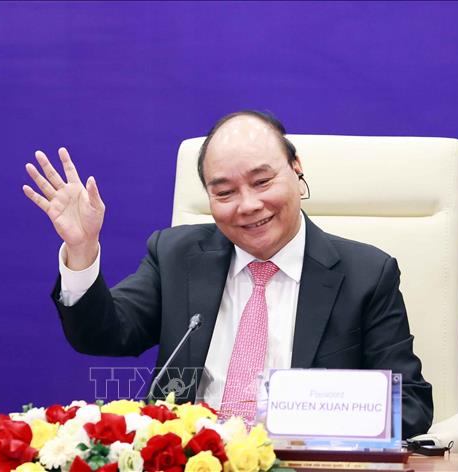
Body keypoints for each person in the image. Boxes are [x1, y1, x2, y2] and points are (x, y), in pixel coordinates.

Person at [22, 110, 433, 438]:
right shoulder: (176, 255)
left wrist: (313, 424)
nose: (248, 205)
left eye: (262, 181)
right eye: (224, 192)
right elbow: (103, 334)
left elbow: (411, 405)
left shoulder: (366, 275)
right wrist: (82, 249)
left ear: (296, 169)